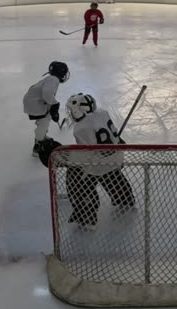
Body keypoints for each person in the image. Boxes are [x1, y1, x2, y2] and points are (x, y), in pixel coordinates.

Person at [58, 92, 136, 231]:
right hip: (116, 157)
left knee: (78, 179)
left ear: (77, 110)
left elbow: (88, 154)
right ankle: (125, 199)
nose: (70, 113)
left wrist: (68, 160)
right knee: (111, 173)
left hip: (101, 163)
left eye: (71, 110)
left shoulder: (81, 128)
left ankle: (87, 217)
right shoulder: (103, 113)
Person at [23, 61, 69, 157]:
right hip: (35, 104)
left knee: (46, 117)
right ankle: (38, 145)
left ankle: (41, 136)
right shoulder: (54, 80)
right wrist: (54, 104)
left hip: (33, 102)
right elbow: (47, 92)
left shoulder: (51, 78)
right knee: (44, 120)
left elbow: (46, 94)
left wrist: (52, 107)